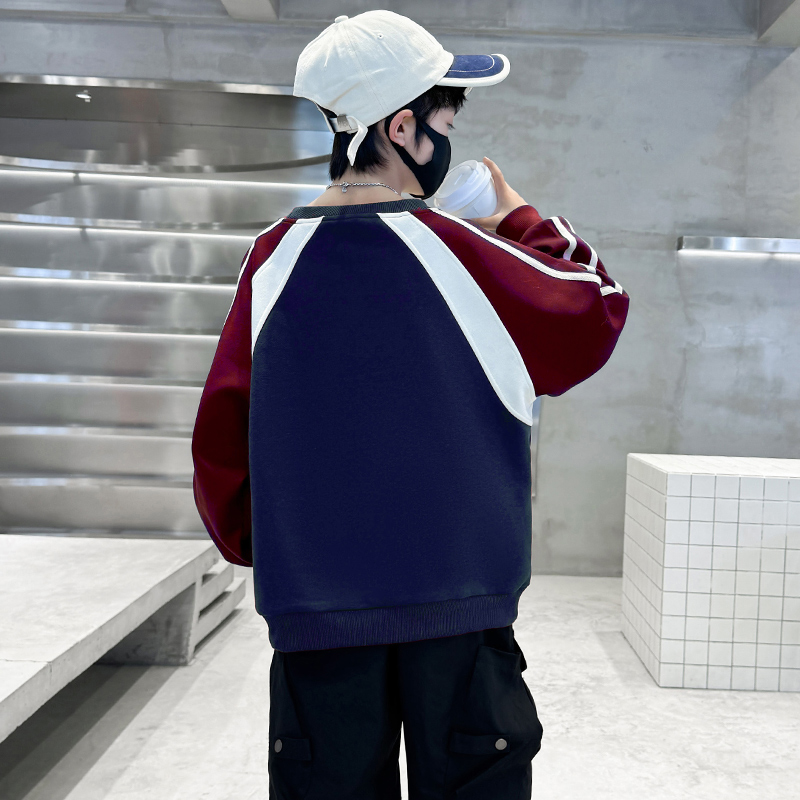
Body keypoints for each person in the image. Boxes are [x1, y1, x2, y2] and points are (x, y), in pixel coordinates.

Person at [191, 10, 630, 799]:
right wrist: (514, 212)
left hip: (318, 614)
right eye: (445, 122)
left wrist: (289, 554)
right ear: (403, 128)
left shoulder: (271, 261)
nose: (450, 140)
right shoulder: (467, 253)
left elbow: (221, 445)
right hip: (460, 609)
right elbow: (596, 307)